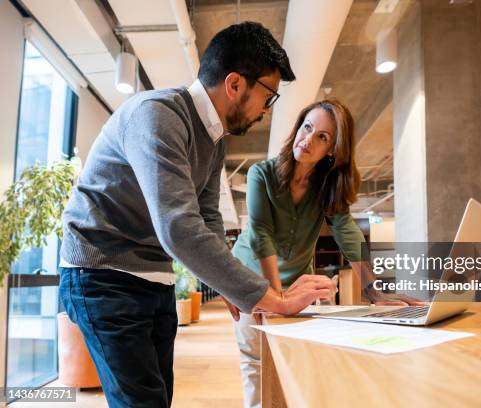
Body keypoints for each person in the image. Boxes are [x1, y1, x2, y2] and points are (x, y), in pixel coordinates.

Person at [58, 22, 335, 408]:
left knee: (157, 399)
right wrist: (273, 298)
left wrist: (226, 282)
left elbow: (207, 218)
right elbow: (178, 226)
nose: (265, 112)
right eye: (268, 97)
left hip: (153, 279)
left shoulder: (213, 137)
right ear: (235, 84)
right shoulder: (157, 115)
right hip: (102, 274)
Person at [227, 98, 422, 408]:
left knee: (298, 361)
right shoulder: (260, 174)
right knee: (256, 360)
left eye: (322, 137)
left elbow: (346, 231)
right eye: (307, 127)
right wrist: (276, 297)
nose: (308, 140)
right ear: (297, 128)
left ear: (333, 149)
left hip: (296, 286)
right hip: (252, 282)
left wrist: (374, 291)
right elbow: (260, 233)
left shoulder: (326, 185)